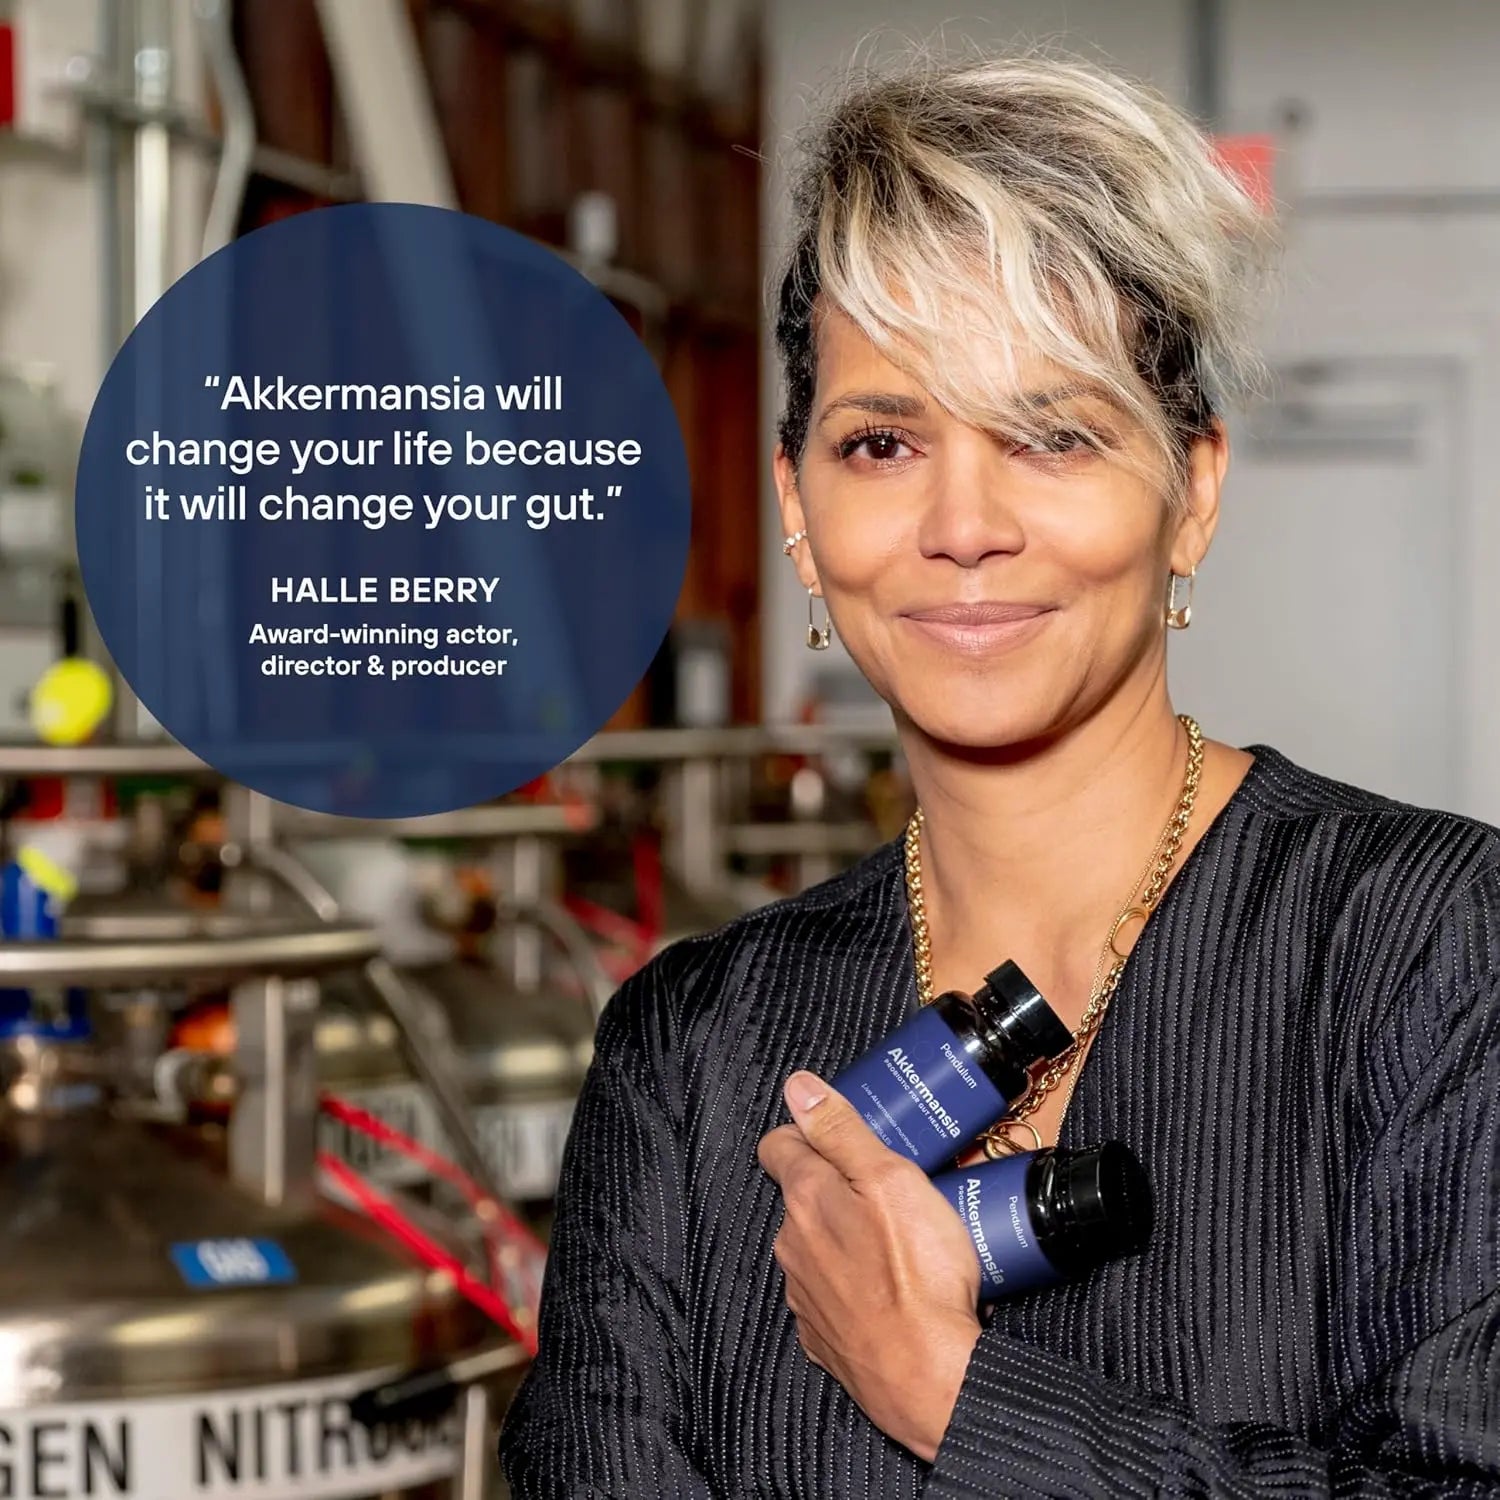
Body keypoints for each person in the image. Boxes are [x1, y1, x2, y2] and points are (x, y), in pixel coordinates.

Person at [500, 52, 1500, 1498]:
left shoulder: (1432, 952)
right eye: (882, 442)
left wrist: (955, 1396)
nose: (963, 525)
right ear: (798, 507)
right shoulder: (691, 1052)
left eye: (1051, 435)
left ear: (1193, 490)